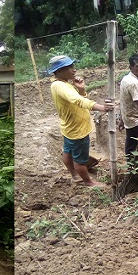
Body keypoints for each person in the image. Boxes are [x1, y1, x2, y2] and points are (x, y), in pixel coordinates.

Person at [48, 55, 115, 187]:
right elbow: (77, 100)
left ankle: (74, 175)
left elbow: (77, 99)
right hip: (78, 130)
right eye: (70, 67)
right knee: (79, 161)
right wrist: (102, 107)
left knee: (67, 152)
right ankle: (88, 182)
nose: (74, 70)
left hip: (70, 128)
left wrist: (81, 89)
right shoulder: (61, 87)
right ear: (60, 70)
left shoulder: (62, 84)